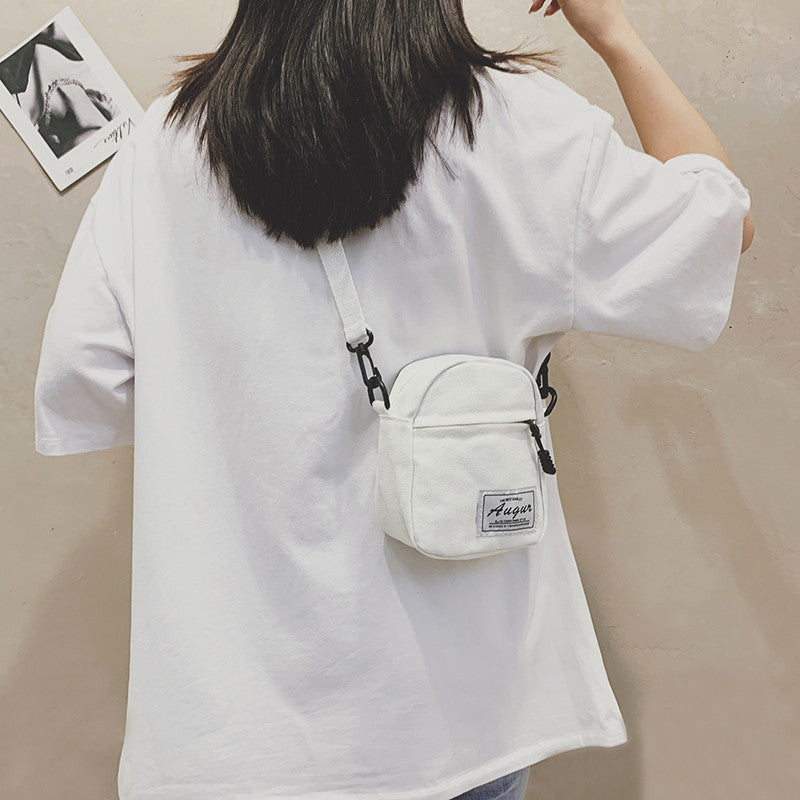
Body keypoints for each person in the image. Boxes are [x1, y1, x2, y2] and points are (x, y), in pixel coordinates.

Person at [32, 1, 753, 799]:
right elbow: (718, 226)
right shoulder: (517, 125)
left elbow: (88, 376)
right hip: (456, 721)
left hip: (235, 729)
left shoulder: (162, 149)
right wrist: (611, 32)